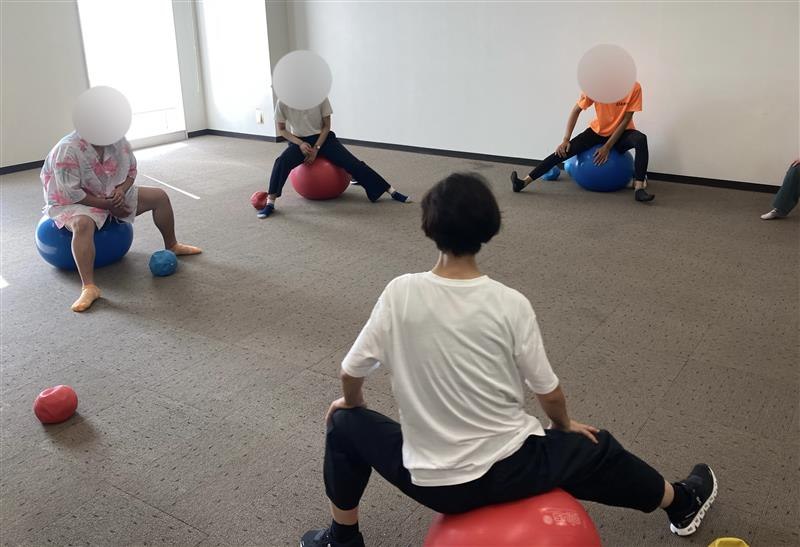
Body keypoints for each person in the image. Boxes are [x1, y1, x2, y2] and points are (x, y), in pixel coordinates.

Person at [300, 173, 716, 547]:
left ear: (428, 226)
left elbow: (350, 371)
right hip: (506, 470)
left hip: (427, 482)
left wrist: (352, 404)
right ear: (490, 229)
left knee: (343, 424)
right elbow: (548, 392)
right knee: (596, 449)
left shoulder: (399, 292)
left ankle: (342, 538)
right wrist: (563, 428)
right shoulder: (509, 303)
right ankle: (682, 502)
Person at [40, 131, 201, 312]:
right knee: (82, 225)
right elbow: (71, 193)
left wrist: (121, 190)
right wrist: (107, 205)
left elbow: (131, 172)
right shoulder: (67, 149)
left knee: (159, 197)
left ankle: (172, 245)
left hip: (110, 193)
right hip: (74, 202)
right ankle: (89, 287)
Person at [256, 98, 411, 218]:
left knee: (352, 163)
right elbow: (282, 130)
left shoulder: (320, 97)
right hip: (299, 141)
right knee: (281, 161)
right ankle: (270, 203)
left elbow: (326, 126)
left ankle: (390, 190)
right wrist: (300, 143)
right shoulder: (283, 101)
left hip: (324, 139)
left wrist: (316, 148)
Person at [511, 81, 655, 203]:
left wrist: (607, 147)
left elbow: (626, 119)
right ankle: (523, 182)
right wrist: (565, 139)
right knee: (563, 151)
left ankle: (639, 189)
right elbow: (576, 110)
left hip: (623, 133)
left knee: (640, 139)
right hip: (597, 132)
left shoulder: (634, 87)